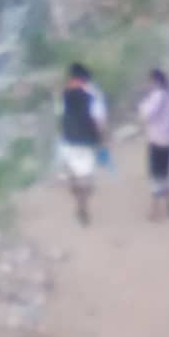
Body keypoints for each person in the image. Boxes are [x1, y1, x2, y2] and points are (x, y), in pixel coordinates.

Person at [59, 62, 107, 225]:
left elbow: (61, 117)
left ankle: (80, 203)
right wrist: (102, 140)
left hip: (68, 140)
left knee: (74, 177)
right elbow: (98, 119)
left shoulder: (64, 93)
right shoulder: (93, 94)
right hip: (86, 141)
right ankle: (83, 205)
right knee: (87, 179)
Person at [138, 68, 169, 221]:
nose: (147, 84)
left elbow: (146, 115)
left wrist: (144, 102)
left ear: (154, 81)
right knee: (165, 174)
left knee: (156, 175)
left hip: (156, 140)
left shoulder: (157, 96)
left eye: (149, 81)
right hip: (167, 140)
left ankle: (155, 211)